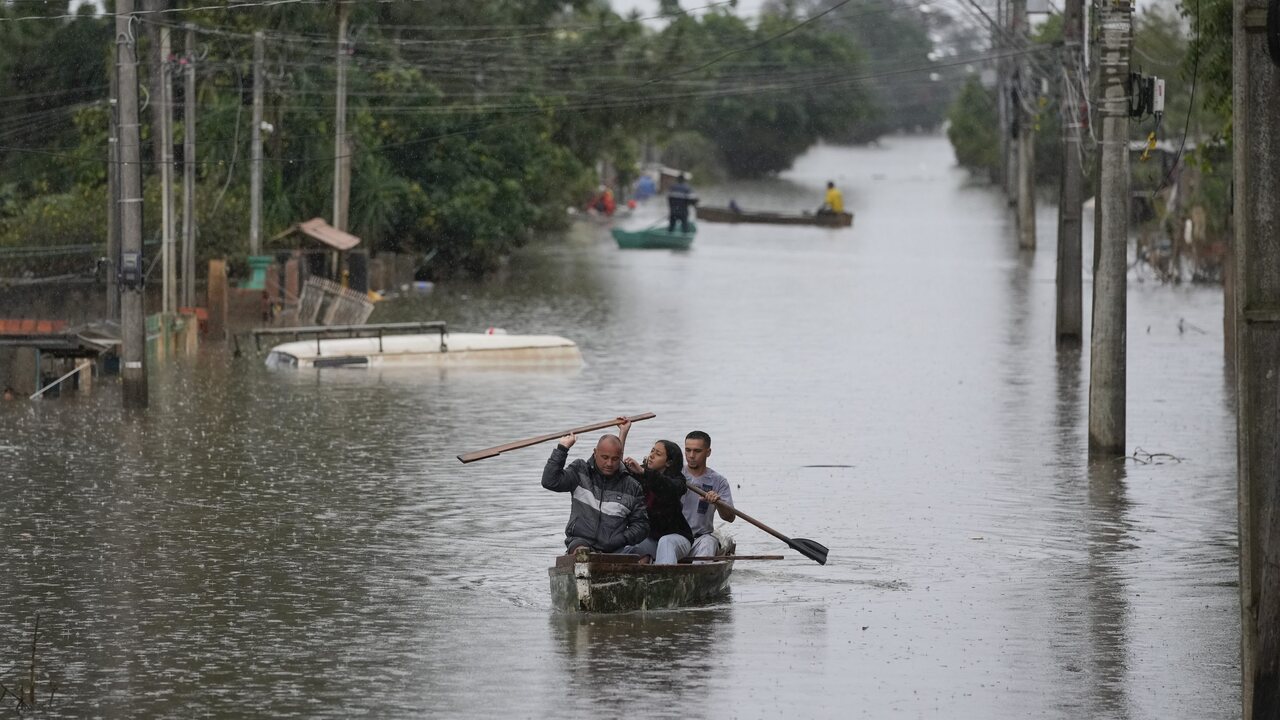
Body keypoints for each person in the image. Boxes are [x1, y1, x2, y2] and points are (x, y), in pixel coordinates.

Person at [542, 425, 649, 554]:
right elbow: (550, 481)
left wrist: (621, 538)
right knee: (582, 553)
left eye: (614, 459)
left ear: (621, 456)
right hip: (580, 543)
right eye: (605, 457)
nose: (609, 463)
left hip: (615, 547)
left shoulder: (632, 486)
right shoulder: (580, 471)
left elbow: (641, 525)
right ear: (595, 452)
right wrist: (562, 449)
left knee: (642, 556)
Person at [619, 433, 695, 564]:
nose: (651, 456)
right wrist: (623, 433)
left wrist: (643, 472)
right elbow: (616, 466)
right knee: (624, 547)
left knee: (666, 542)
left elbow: (667, 487)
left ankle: (665, 581)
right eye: (652, 451)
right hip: (651, 539)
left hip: (677, 539)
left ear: (669, 462)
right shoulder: (640, 477)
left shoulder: (678, 481)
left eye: (658, 454)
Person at [681, 430, 736, 557]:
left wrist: (718, 503)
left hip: (702, 538)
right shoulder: (675, 475)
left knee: (708, 544)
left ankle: (699, 573)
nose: (691, 455)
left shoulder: (719, 481)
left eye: (697, 451)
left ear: (708, 452)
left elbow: (730, 518)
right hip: (676, 536)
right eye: (688, 450)